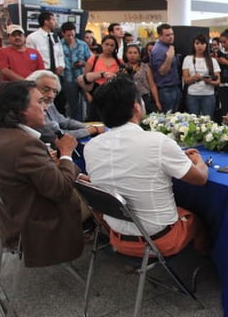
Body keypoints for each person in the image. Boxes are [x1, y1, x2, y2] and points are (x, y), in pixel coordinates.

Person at [85, 76, 210, 259]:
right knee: (199, 219)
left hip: (117, 236)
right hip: (158, 240)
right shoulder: (157, 142)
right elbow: (200, 179)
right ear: (136, 107)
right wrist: (198, 161)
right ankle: (206, 272)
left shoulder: (91, 147)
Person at [0, 81, 85, 267]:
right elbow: (61, 190)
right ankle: (126, 246)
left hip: (14, 214)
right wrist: (66, 153)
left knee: (88, 182)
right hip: (39, 222)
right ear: (21, 110)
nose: (45, 108)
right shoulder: (23, 144)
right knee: (105, 197)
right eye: (40, 102)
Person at [28, 70, 104, 145]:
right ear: (31, 88)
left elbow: (65, 122)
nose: (51, 95)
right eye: (46, 90)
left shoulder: (48, 102)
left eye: (55, 91)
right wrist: (91, 130)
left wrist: (88, 126)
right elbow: (58, 136)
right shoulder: (31, 109)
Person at [183, 34, 221, 118]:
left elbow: (218, 81)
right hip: (192, 94)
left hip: (208, 95)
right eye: (197, 43)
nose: (199, 46)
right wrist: (193, 78)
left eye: (202, 43)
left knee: (207, 121)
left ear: (206, 45)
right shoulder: (188, 59)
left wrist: (210, 81)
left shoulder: (212, 61)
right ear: (193, 45)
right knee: (193, 120)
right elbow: (185, 80)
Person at [60, 21, 90, 121]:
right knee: (73, 105)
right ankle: (75, 125)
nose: (71, 37)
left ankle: (91, 122)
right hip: (68, 79)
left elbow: (91, 61)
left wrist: (83, 63)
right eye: (68, 35)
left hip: (83, 77)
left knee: (89, 101)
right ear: (63, 34)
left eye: (72, 35)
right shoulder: (58, 45)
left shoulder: (82, 44)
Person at [149, 24, 181, 112]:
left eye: (172, 34)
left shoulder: (168, 47)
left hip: (174, 87)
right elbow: (162, 72)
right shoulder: (159, 50)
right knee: (168, 119)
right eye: (167, 35)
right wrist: (169, 57)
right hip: (166, 89)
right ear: (159, 36)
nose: (171, 37)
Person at [121, 44, 159, 113]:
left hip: (145, 97)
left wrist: (157, 102)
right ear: (126, 54)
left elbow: (152, 85)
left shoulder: (145, 67)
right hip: (128, 98)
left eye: (135, 53)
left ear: (139, 54)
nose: (132, 55)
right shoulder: (122, 68)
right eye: (130, 53)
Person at [26, 12, 65, 80]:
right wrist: (39, 68)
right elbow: (31, 56)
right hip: (41, 72)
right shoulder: (32, 37)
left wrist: (61, 65)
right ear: (46, 22)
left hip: (56, 72)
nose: (55, 22)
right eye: (53, 20)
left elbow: (60, 54)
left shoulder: (55, 37)